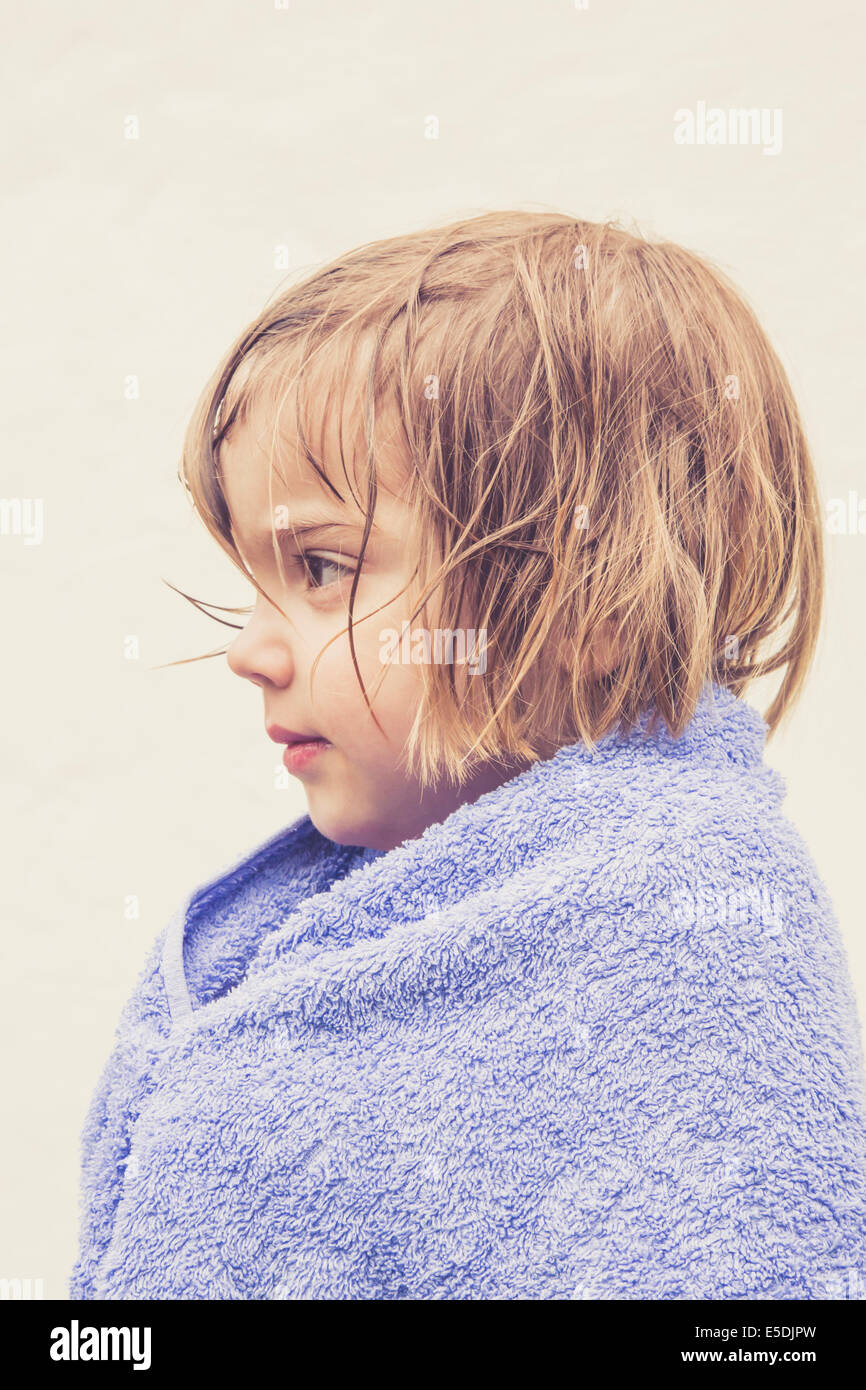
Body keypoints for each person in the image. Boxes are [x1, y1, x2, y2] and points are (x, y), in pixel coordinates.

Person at [70, 210, 866, 1300]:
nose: (250, 649)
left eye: (319, 566)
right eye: (251, 580)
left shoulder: (685, 927)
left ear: (593, 602)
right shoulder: (304, 938)